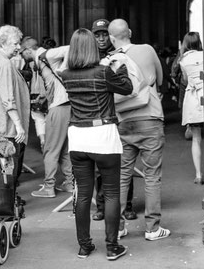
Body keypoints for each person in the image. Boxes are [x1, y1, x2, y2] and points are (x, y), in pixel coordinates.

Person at [59, 28, 133, 260]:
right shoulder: (103, 72)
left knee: (82, 195)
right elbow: (127, 88)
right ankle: (112, 247)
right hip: (104, 135)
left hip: (78, 137)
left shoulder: (66, 74)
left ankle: (84, 246)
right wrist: (120, 68)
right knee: (111, 193)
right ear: (93, 47)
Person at [108, 19, 170, 241]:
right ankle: (152, 228)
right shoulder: (146, 49)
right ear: (130, 33)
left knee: (123, 175)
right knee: (152, 175)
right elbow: (160, 79)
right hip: (150, 116)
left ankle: (118, 227)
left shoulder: (109, 60)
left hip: (123, 120)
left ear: (111, 38)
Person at [91, 18, 137, 221]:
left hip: (119, 113)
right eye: (97, 34)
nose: (101, 38)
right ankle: (101, 206)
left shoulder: (119, 55)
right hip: (100, 115)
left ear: (109, 36)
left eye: (103, 34)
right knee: (101, 164)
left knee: (124, 161)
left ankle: (126, 205)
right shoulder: (90, 57)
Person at [28, 43, 73, 197]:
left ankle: (49, 187)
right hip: (68, 107)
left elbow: (69, 48)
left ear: (28, 49)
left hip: (59, 107)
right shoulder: (42, 61)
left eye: (22, 53)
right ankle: (70, 182)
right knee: (64, 150)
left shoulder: (45, 55)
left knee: (50, 149)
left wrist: (63, 69)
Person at [0, 25, 30, 186]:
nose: (18, 47)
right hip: (7, 127)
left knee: (0, 169)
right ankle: (7, 203)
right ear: (2, 43)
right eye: (15, 43)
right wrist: (19, 125)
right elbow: (8, 98)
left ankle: (5, 201)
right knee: (8, 171)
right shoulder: (4, 64)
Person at [179, 32, 204, 184]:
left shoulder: (183, 60)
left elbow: (185, 80)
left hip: (193, 100)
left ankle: (199, 174)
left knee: (196, 138)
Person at [20, 37, 47, 151]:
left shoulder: (33, 62)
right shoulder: (44, 58)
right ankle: (46, 141)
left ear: (28, 50)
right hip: (44, 94)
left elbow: (28, 76)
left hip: (37, 95)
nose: (21, 55)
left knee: (39, 119)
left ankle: (43, 141)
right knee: (42, 119)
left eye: (22, 52)